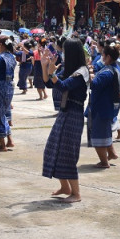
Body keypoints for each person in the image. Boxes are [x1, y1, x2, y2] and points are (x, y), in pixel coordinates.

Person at [40, 39, 89, 202]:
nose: (63, 54)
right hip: (65, 113)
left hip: (74, 114)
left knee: (67, 152)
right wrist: (44, 66)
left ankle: (76, 194)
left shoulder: (81, 72)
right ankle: (65, 187)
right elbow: (48, 83)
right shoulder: (71, 69)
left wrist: (52, 73)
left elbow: (62, 86)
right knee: (52, 148)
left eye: (65, 51)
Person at [87, 41, 120, 168]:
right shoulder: (114, 69)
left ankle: (104, 162)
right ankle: (112, 153)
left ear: (108, 57)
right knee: (105, 132)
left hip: (102, 107)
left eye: (103, 55)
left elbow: (95, 84)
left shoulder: (108, 71)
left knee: (98, 135)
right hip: (107, 106)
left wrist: (90, 77)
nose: (102, 58)